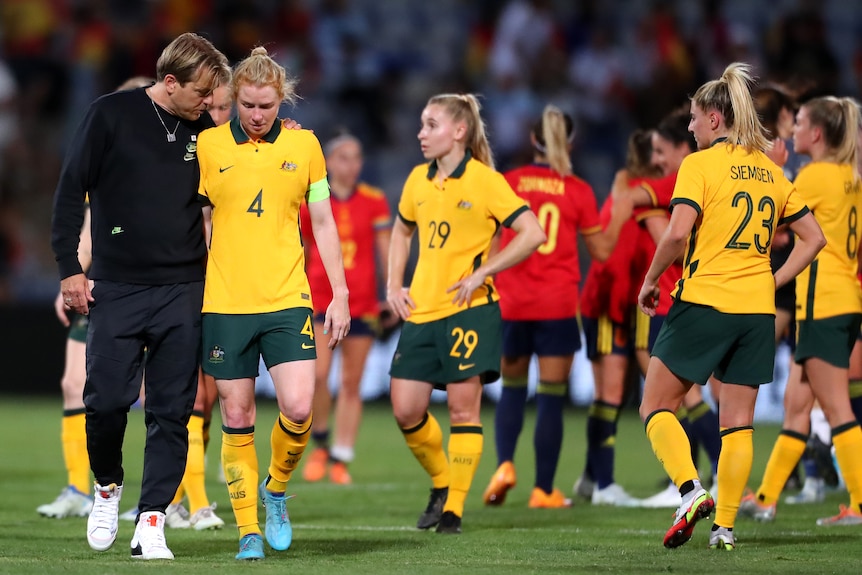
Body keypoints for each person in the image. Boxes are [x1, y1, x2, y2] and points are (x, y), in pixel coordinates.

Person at [50, 33, 231, 560]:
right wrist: (68, 269)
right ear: (169, 82)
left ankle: (152, 520)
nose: (208, 103)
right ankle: (107, 485)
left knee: (173, 412)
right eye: (201, 92)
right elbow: (69, 190)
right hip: (118, 286)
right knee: (104, 402)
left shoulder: (211, 133)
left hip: (184, 289)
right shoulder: (110, 115)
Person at [637, 62, 824, 551]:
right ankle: (724, 528)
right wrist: (771, 279)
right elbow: (813, 238)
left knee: (655, 404)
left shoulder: (698, 166)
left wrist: (652, 279)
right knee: (737, 420)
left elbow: (677, 232)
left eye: (694, 119)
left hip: (705, 301)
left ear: (715, 121)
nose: (691, 127)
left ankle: (690, 490)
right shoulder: (770, 170)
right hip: (757, 311)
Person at [197, 46, 350, 560]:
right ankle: (247, 531)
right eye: (247, 106)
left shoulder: (306, 147)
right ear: (234, 98)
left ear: (280, 99)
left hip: (288, 298)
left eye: (265, 106)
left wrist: (341, 294)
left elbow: (324, 224)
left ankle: (276, 490)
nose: (257, 116)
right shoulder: (210, 145)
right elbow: (198, 224)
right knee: (237, 416)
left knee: (300, 408)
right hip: (225, 302)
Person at [387, 93, 545, 534]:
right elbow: (400, 231)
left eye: (431, 124)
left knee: (462, 410)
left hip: (468, 311)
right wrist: (393, 283)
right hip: (421, 309)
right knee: (405, 409)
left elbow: (532, 233)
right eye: (421, 124)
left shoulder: (485, 181)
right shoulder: (418, 180)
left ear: (459, 131)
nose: (421, 133)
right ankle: (442, 481)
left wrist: (484, 273)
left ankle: (454, 509)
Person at [482, 104, 633, 509]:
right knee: (550, 397)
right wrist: (620, 211)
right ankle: (543, 489)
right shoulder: (579, 190)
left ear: (532, 140)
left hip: (512, 302)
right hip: (557, 305)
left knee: (511, 392)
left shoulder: (509, 182)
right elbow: (601, 251)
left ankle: (505, 466)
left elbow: (491, 243)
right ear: (570, 142)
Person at [738, 96, 862, 527]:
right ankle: (768, 498)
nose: (793, 130)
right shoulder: (849, 175)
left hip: (822, 304)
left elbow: (768, 213)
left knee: (837, 409)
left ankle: (859, 506)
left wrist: (769, 166)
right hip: (841, 300)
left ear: (818, 134)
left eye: (800, 122)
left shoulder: (815, 176)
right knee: (796, 404)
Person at [37, 76, 155, 520]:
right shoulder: (105, 157)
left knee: (149, 393)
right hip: (98, 285)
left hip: (146, 286)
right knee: (74, 384)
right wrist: (70, 278)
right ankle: (77, 487)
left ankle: (169, 496)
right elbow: (86, 229)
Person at [572, 129, 661, 507]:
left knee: (617, 393)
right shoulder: (637, 195)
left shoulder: (629, 188)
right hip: (608, 304)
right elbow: (615, 259)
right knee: (609, 393)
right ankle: (605, 484)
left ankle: (591, 479)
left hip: (618, 303)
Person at [300, 133, 392, 485]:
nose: (350, 165)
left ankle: (341, 457)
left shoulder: (374, 200)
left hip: (363, 303)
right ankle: (321, 442)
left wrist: (391, 290)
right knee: (319, 376)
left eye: (356, 158)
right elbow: (304, 248)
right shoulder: (312, 200)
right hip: (320, 301)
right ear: (328, 161)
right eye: (343, 157)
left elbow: (385, 249)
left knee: (352, 383)